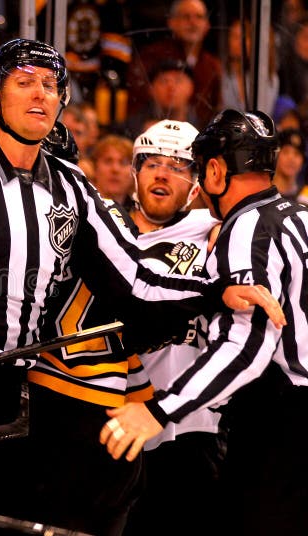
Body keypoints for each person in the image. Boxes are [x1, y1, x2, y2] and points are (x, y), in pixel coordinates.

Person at [0, 39, 285, 536]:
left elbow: (135, 283)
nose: (40, 95)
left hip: (8, 397)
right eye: (25, 82)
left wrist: (215, 293)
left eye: (51, 85)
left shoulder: (70, 185)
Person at [99, 109, 306, 536]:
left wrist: (159, 410)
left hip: (282, 426)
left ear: (213, 170)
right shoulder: (300, 216)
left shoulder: (246, 228)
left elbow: (246, 347)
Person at [120, 119, 225, 536]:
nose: (162, 173)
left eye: (178, 165)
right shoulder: (105, 233)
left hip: (192, 426)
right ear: (136, 173)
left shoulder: (214, 233)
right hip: (118, 416)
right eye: (152, 163)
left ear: (196, 184)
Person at [127, 0, 221, 127]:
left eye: (199, 17)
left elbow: (216, 108)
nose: (193, 23)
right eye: (186, 17)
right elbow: (136, 102)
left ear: (207, 25)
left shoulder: (213, 65)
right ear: (172, 23)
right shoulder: (152, 56)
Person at [89, 134, 134, 212]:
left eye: (123, 162)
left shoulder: (139, 216)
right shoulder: (77, 208)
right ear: (95, 167)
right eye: (108, 161)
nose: (115, 169)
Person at [272, 128, 306, 200]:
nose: (291, 159)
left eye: (297, 154)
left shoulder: (305, 197)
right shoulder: (264, 193)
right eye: (286, 152)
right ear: (276, 155)